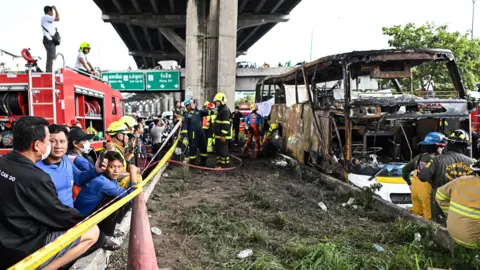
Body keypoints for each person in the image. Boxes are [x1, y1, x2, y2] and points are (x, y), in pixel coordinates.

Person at [0, 116, 99, 270]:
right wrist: (86, 221)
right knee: (93, 232)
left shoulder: (3, 163)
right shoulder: (37, 177)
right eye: (49, 141)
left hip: (6, 238)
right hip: (21, 247)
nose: (53, 146)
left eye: (61, 141)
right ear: (37, 145)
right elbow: (58, 216)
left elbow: (78, 178)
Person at [35, 124, 107, 208]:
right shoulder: (36, 168)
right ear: (45, 142)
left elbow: (78, 178)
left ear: (67, 143)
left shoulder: (65, 160)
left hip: (69, 217)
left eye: (62, 141)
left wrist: (95, 170)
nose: (58, 146)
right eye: (52, 141)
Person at [418, 129, 475, 225]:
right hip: (463, 201)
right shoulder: (472, 163)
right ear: (465, 147)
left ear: (448, 144)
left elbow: (423, 176)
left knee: (439, 227)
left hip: (439, 201)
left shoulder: (437, 160)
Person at [75, 151, 135, 240]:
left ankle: (111, 227)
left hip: (88, 212)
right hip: (82, 220)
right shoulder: (102, 181)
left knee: (118, 197)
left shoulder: (106, 176)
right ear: (104, 167)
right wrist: (133, 174)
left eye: (119, 167)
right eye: (112, 167)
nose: (116, 171)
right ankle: (104, 236)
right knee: (118, 200)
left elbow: (119, 175)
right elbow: (129, 198)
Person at [435, 159, 480, 248]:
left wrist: (450, 213)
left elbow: (439, 195)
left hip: (454, 234)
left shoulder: (460, 180)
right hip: (475, 242)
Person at [402, 132, 446, 220]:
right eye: (441, 146)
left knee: (417, 216)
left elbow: (405, 170)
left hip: (415, 190)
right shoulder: (437, 160)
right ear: (436, 146)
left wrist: (410, 183)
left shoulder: (419, 157)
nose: (443, 148)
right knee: (429, 219)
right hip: (427, 193)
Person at [106, 121, 141, 188]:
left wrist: (131, 150)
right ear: (119, 136)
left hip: (118, 184)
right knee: (138, 178)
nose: (128, 137)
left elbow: (123, 160)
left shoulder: (116, 148)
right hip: (116, 187)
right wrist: (132, 172)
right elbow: (114, 174)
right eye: (126, 135)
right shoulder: (113, 150)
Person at [181, 98, 208, 166]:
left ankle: (203, 162)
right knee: (193, 149)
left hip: (201, 134)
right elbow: (184, 127)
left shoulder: (198, 112)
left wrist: (215, 111)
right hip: (192, 135)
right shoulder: (186, 115)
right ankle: (193, 164)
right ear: (188, 106)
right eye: (191, 103)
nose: (193, 104)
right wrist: (185, 137)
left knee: (203, 147)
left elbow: (207, 112)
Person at [213, 92, 231, 167]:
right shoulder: (220, 109)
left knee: (223, 150)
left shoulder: (225, 110)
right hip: (218, 135)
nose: (216, 103)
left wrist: (223, 135)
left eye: (217, 101)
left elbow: (226, 124)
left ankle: (224, 165)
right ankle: (219, 163)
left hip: (223, 135)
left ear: (221, 101)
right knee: (218, 150)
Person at [41, 5, 60, 72]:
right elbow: (58, 18)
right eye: (52, 12)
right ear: (49, 11)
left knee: (52, 57)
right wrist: (56, 9)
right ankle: (49, 73)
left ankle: (50, 71)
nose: (53, 13)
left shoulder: (47, 18)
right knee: (51, 57)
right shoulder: (45, 17)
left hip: (49, 40)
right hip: (48, 40)